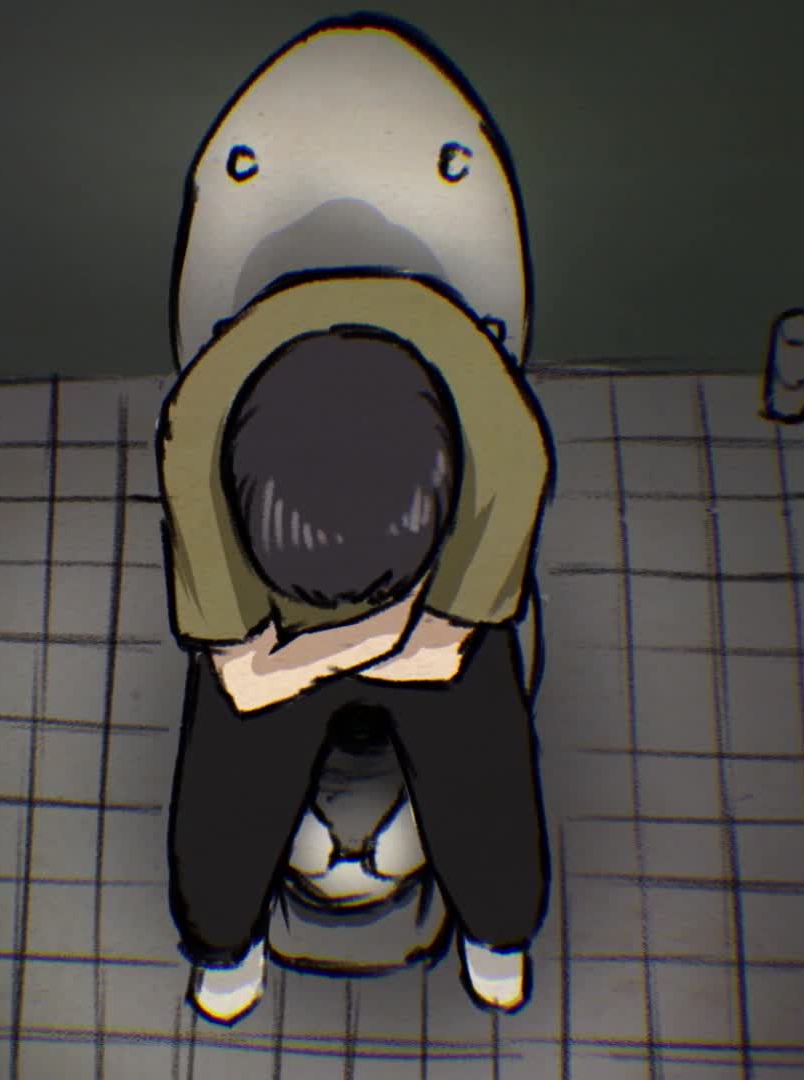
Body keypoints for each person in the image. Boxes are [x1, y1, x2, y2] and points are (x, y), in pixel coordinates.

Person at [157, 270, 554, 1024]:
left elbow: (441, 649)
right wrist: (380, 632)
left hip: (383, 624)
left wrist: (308, 658)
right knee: (223, 796)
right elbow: (242, 680)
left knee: (487, 774)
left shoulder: (507, 454)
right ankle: (221, 943)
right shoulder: (193, 447)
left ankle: (499, 929)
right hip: (369, 624)